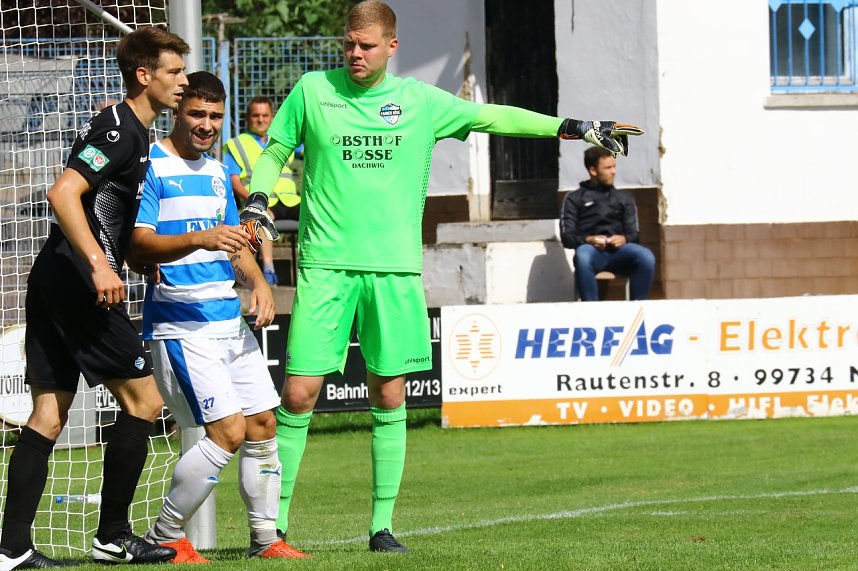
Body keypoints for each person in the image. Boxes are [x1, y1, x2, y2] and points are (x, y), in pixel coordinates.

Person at [236, 0, 643, 554]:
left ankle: (381, 528)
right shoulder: (313, 90)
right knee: (300, 392)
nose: (355, 53)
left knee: (389, 393)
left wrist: (572, 128)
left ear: (392, 47)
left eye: (366, 46)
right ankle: (273, 528)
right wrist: (259, 198)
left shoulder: (420, 101)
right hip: (325, 263)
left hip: (395, 269)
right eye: (349, 43)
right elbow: (277, 150)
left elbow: (494, 116)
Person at [0, 26, 189, 569]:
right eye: (174, 72)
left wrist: (129, 258)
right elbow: (63, 193)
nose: (182, 81)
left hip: (56, 277)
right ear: (144, 75)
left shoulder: (132, 132)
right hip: (78, 283)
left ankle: (11, 550)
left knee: (48, 414)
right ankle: (112, 536)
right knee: (145, 402)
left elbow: (102, 211)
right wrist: (100, 264)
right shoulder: (120, 129)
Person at [130, 71, 308, 562]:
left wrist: (257, 283)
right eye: (196, 114)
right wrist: (199, 238)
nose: (206, 124)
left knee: (264, 424)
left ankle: (265, 540)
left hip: (229, 320)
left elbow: (234, 240)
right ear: (176, 111)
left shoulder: (216, 171)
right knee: (227, 431)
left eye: (214, 116)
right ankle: (166, 534)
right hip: (181, 324)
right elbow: (138, 244)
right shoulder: (151, 165)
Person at [560, 146, 656, 301]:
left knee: (646, 256)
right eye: (608, 168)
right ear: (593, 170)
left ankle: (638, 308)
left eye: (614, 166)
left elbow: (635, 234)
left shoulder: (624, 198)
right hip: (591, 252)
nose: (613, 172)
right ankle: (591, 309)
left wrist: (624, 238)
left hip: (620, 253)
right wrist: (588, 239)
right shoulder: (573, 199)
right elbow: (567, 237)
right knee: (582, 255)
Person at [223, 96, 302, 286]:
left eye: (265, 115)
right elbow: (234, 181)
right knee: (262, 216)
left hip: (290, 201)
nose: (261, 120)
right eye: (256, 115)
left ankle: (310, 269)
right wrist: (254, 202)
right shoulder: (237, 144)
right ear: (248, 118)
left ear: (272, 118)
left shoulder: (284, 140)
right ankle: (269, 269)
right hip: (261, 202)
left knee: (315, 215)